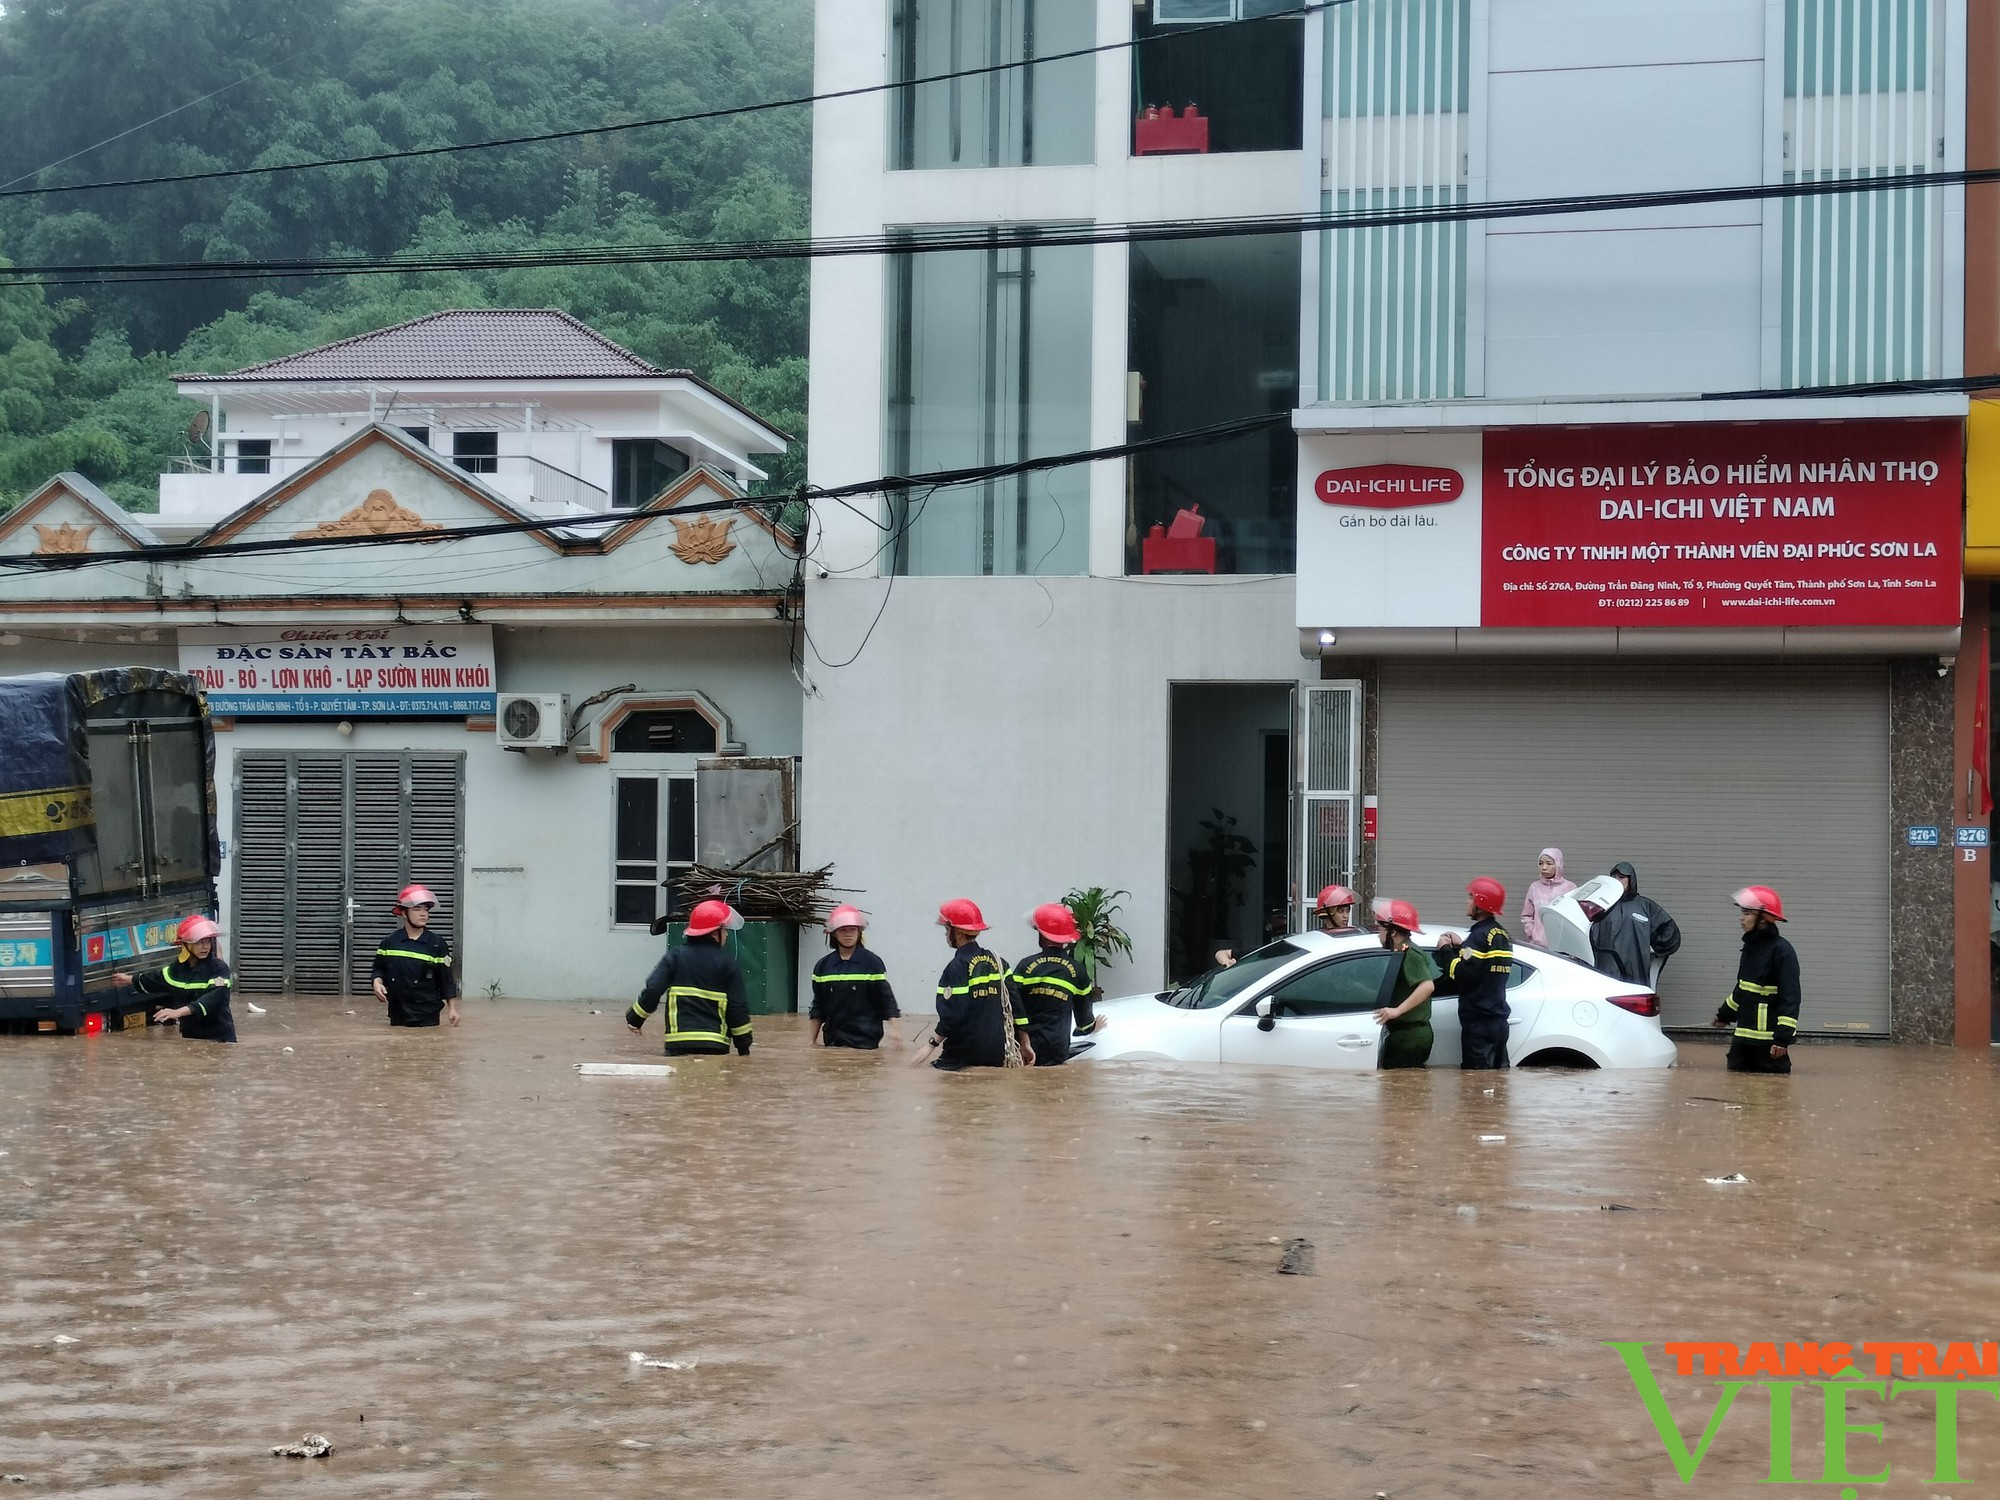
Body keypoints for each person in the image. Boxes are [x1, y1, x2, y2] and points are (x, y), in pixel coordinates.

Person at [627, 899, 752, 1057]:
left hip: (678, 1044)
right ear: (715, 934)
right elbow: (737, 1008)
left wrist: (635, 1018)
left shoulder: (675, 956)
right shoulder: (728, 964)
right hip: (715, 1045)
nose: (726, 935)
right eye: (725, 930)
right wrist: (743, 1049)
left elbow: (653, 990)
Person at [925, 898, 1031, 1070]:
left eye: (946, 929)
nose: (945, 934)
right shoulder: (1000, 962)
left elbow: (952, 1014)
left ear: (958, 933)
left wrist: (930, 1045)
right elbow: (1016, 1007)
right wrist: (1025, 1043)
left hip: (960, 1056)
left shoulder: (957, 967)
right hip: (996, 1054)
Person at [1711, 885, 1801, 1073]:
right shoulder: (1750, 947)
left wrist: (1782, 1040)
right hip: (1741, 1045)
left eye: (1747, 912)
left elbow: (1790, 998)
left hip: (1769, 1048)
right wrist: (1724, 1015)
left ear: (1764, 918)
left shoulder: (1782, 951)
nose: (1741, 918)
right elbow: (1743, 989)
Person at [113, 913, 235, 1043]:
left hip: (219, 1038)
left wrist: (178, 1012)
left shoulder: (219, 968)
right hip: (190, 1037)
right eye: (199, 942)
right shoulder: (177, 970)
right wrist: (130, 979)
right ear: (186, 945)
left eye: (208, 942)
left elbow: (211, 999)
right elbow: (156, 979)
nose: (205, 946)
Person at [1435, 878, 1514, 1070]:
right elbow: (1484, 969)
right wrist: (1462, 946)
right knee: (1496, 1085)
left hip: (1479, 1025)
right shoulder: (1501, 935)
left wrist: (1445, 950)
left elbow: (1464, 974)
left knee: (1476, 1087)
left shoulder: (1478, 937)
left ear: (1481, 904)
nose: (1466, 902)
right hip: (1498, 1024)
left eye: (1470, 897)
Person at [810, 904, 901, 1050]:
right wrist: (811, 1042)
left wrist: (895, 1030)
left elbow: (886, 998)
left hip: (866, 1041)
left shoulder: (872, 962)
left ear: (859, 932)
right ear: (833, 933)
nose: (848, 934)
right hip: (833, 1041)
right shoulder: (823, 966)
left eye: (852, 929)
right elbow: (818, 1006)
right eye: (843, 930)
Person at [1010, 904, 1091, 1067]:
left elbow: (1012, 1008)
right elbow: (1085, 1025)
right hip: (1057, 1051)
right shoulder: (1078, 970)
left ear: (1043, 935)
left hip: (1025, 1049)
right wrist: (1093, 1026)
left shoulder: (1025, 966)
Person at [373, 884, 460, 1028]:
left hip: (427, 1014)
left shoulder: (437, 944)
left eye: (426, 909)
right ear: (403, 913)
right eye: (417, 909)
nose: (423, 914)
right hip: (397, 1013)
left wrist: (452, 1009)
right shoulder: (389, 942)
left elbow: (446, 979)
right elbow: (379, 968)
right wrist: (377, 983)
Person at [1369, 898, 1436, 1069]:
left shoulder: (1410, 953)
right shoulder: (1399, 952)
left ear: (1393, 932)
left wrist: (1396, 1011)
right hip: (1404, 1035)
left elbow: (1427, 986)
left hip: (1410, 1037)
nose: (1378, 934)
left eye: (1380, 929)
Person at [1589, 861, 1681, 985]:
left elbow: (1669, 931)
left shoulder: (1645, 906)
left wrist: (1653, 950)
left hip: (1635, 970)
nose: (1617, 880)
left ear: (1631, 879)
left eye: (1622, 877)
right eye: (1614, 878)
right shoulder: (1602, 905)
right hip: (1605, 970)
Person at [1520, 849, 1576, 947]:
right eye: (1541, 863)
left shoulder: (1570, 888)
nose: (1544, 867)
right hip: (1538, 946)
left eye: (1549, 863)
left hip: (1563, 946)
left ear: (1558, 865)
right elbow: (1527, 915)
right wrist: (1532, 933)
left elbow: (1576, 917)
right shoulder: (1534, 887)